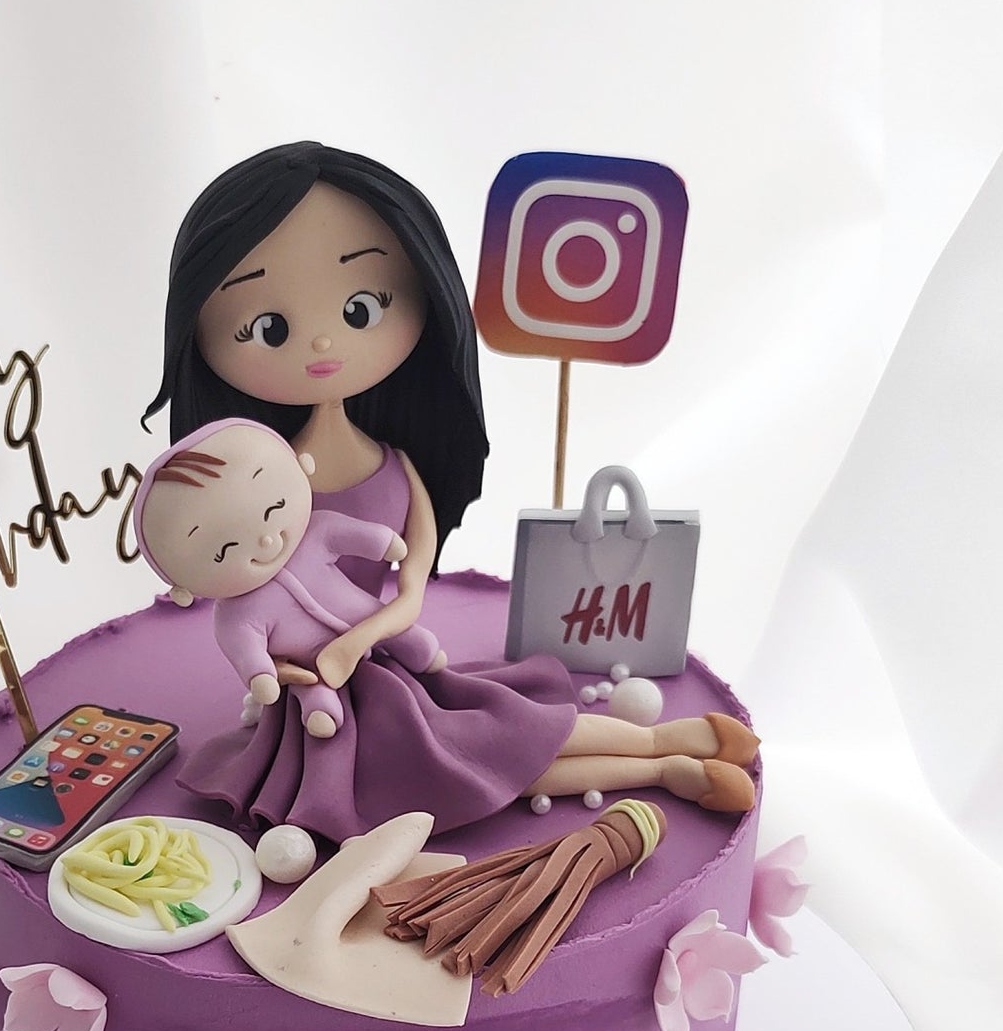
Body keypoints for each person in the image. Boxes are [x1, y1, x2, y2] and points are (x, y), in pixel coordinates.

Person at [144, 142, 755, 841]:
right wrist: (286, 671)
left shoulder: (399, 467)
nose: (321, 345)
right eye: (269, 328)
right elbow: (246, 618)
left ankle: (660, 740)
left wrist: (361, 640)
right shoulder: (253, 483)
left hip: (395, 666)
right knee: (489, 768)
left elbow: (408, 591)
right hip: (322, 708)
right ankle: (662, 765)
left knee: (509, 739)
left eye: (362, 307)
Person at [132, 418, 445, 740]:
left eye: (274, 508)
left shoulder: (316, 531)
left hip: (367, 614)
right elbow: (247, 651)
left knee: (411, 640)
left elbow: (351, 535)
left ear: (302, 466)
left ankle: (415, 648)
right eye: (224, 550)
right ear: (182, 591)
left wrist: (384, 543)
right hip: (308, 661)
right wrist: (260, 675)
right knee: (311, 684)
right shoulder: (234, 615)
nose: (266, 541)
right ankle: (320, 707)